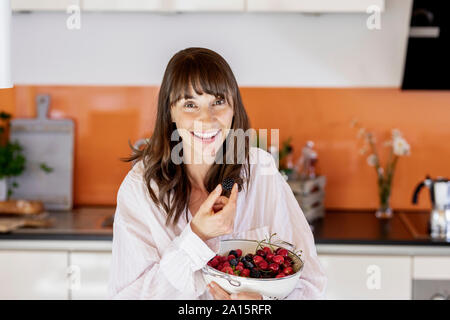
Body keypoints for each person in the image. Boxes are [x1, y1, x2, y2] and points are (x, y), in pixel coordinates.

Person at [108, 47, 327, 300]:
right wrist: (196, 237)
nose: (207, 119)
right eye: (190, 104)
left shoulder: (260, 172)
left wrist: (265, 306)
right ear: (170, 112)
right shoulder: (140, 188)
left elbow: (310, 284)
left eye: (218, 102)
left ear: (235, 107)